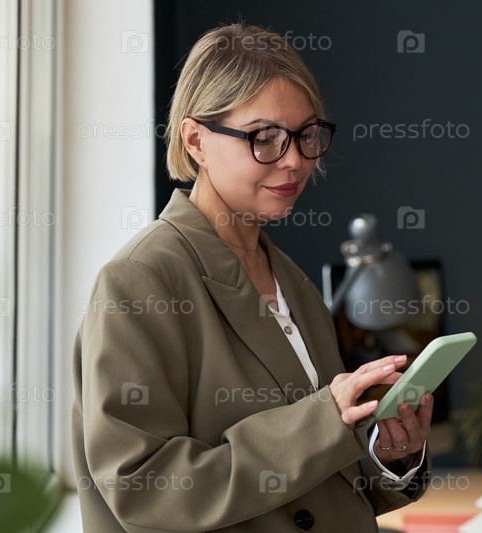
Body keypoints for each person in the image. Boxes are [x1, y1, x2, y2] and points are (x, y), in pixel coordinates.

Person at [72, 23, 432, 532]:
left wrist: (391, 455)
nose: (295, 161)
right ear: (195, 140)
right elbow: (145, 490)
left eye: (306, 135)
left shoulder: (292, 282)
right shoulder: (139, 280)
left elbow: (325, 481)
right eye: (265, 138)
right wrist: (323, 421)